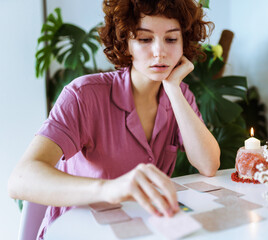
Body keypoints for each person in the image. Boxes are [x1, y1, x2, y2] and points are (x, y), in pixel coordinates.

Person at [8, 0, 220, 239]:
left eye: (171, 39)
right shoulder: (84, 95)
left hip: (140, 230)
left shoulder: (181, 97)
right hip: (77, 232)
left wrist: (172, 87)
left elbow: (208, 164)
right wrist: (110, 189)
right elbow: (20, 179)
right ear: (126, 43)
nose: (160, 51)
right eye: (144, 39)